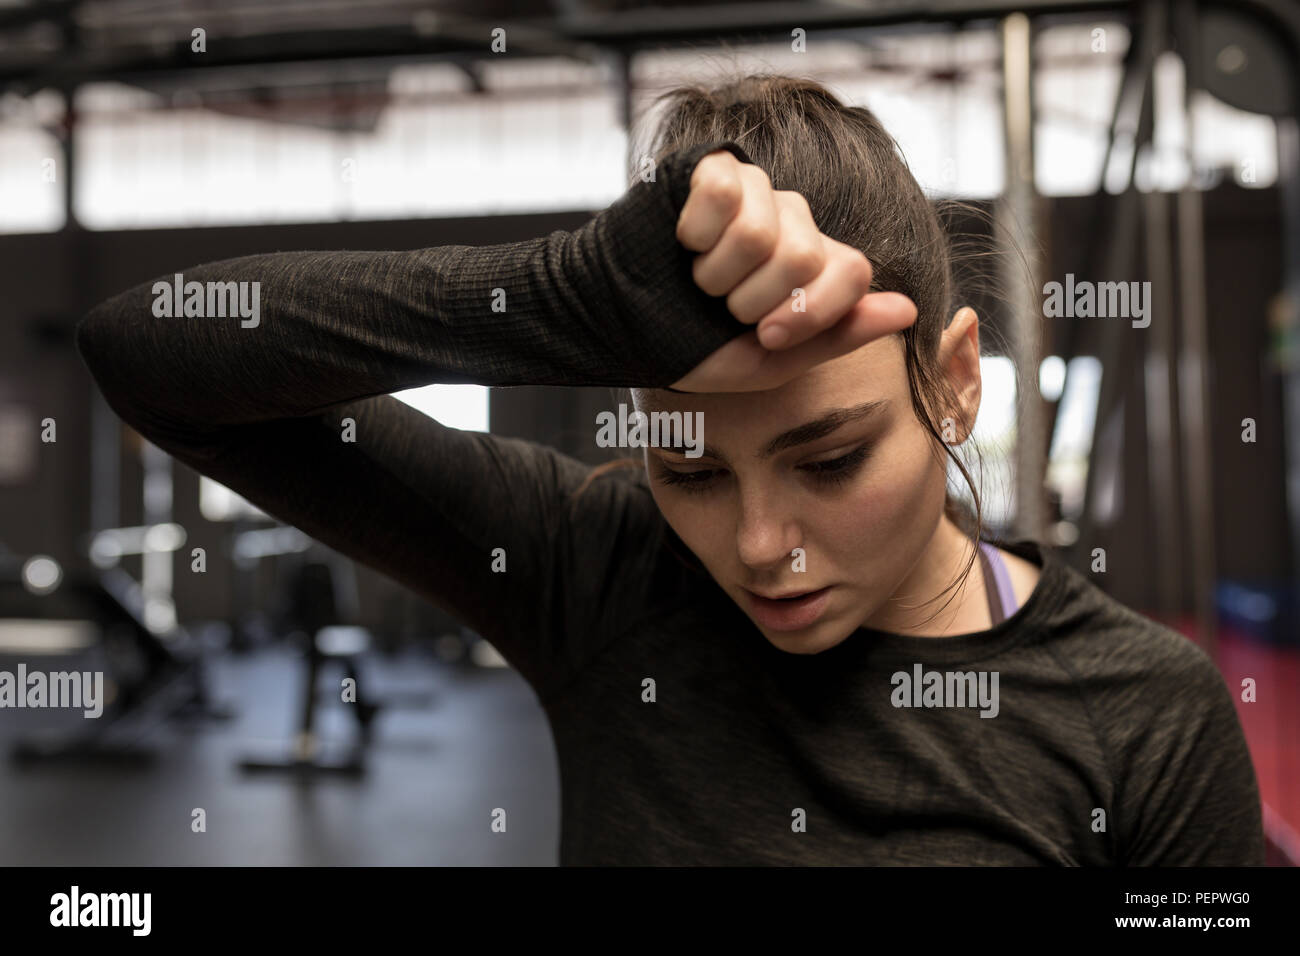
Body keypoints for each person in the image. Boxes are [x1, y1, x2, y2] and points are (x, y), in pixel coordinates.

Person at [75, 73, 1264, 865]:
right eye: (688, 467)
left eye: (833, 457)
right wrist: (546, 300)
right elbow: (148, 354)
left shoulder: (1140, 711)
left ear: (955, 381)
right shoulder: (598, 567)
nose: (759, 544)